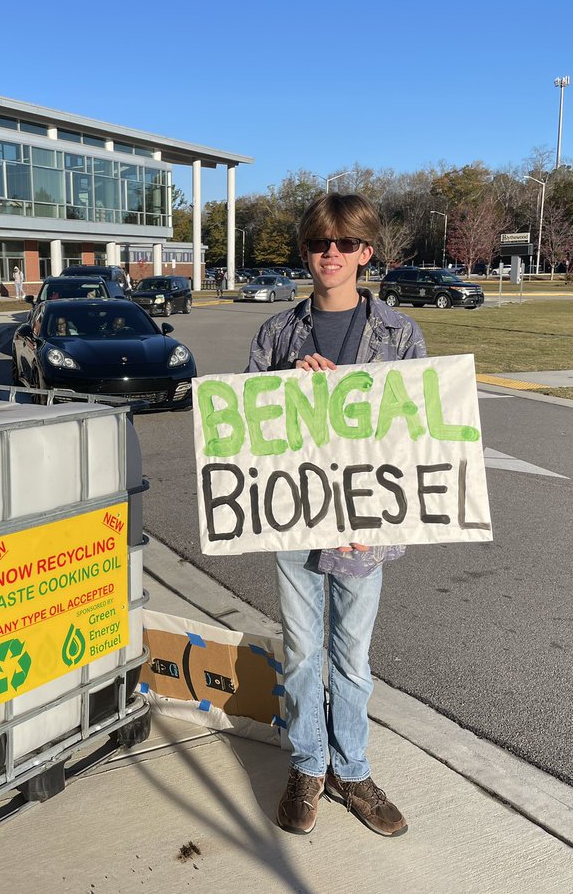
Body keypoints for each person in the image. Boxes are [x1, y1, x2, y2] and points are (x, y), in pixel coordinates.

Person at [246, 193, 425, 839]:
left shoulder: (400, 335)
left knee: (352, 656)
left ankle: (352, 770)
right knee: (301, 654)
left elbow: (414, 437)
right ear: (305, 250)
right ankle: (308, 764)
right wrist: (284, 388)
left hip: (364, 522)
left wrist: (377, 509)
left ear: (366, 252)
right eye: (320, 242)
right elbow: (245, 435)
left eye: (345, 243)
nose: (331, 253)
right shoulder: (276, 335)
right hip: (294, 516)